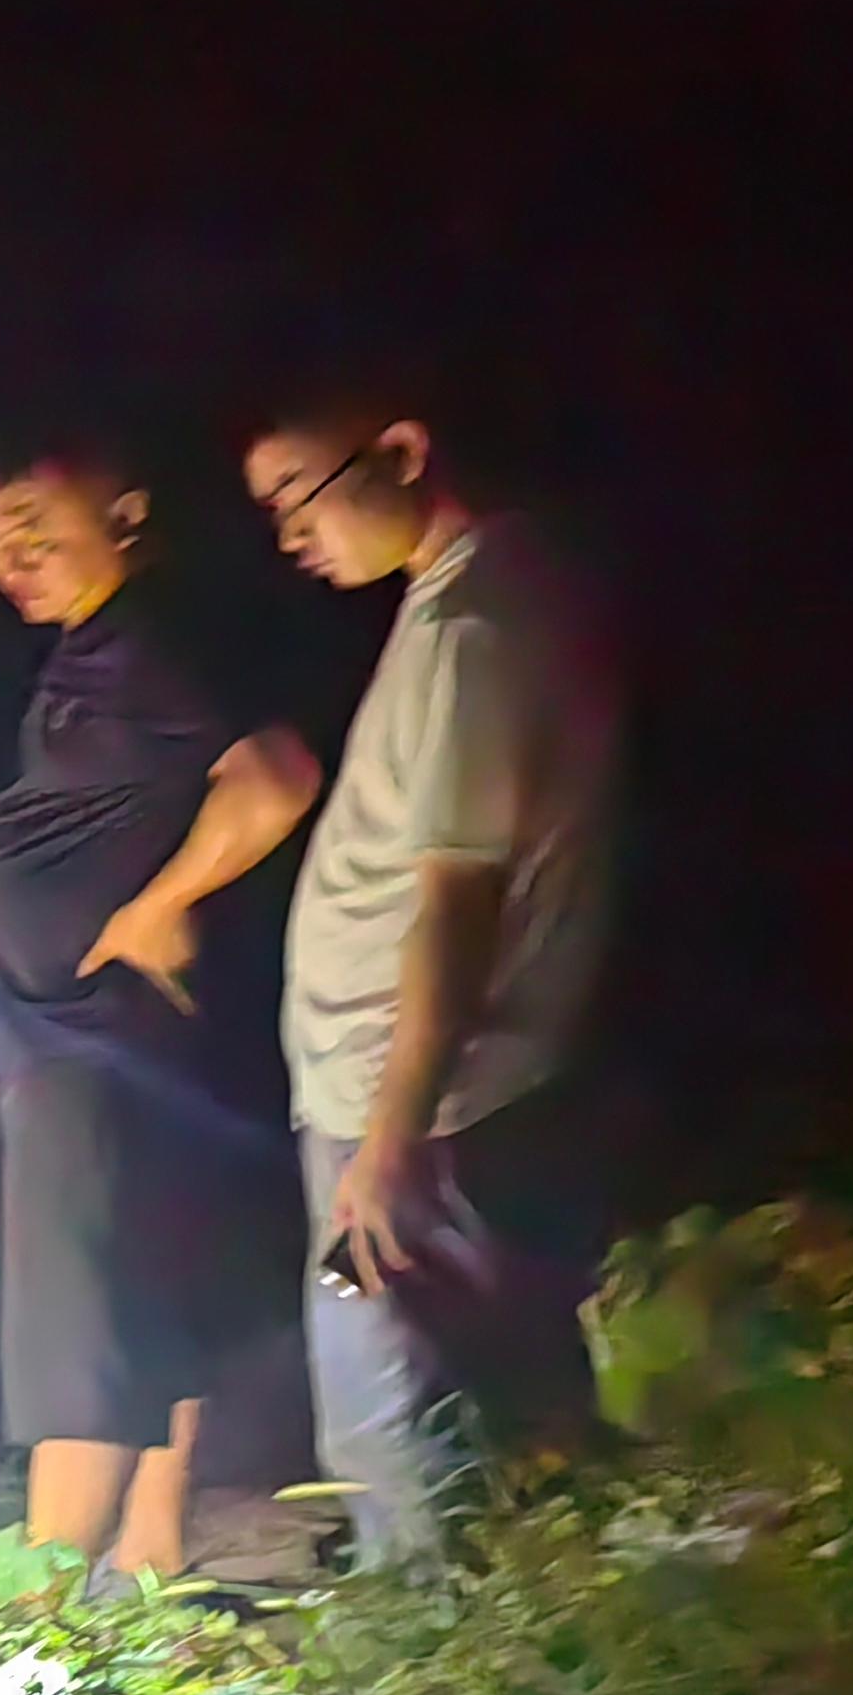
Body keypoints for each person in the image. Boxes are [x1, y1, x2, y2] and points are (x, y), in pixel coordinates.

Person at [0, 432, 321, 1580]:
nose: (13, 557)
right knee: (140, 1306)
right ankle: (148, 1562)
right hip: (77, 1044)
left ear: (129, 515)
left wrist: (162, 904)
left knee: (79, 1338)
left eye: (35, 525)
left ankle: (37, 1603)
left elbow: (276, 778)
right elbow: (122, 797)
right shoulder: (96, 655)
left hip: (84, 1046)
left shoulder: (149, 643)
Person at [247, 388, 619, 1571]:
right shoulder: (475, 598)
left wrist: (392, 1136)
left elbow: (459, 899)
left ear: (403, 451)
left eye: (296, 495)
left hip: (413, 1103)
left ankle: (428, 1654)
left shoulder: (473, 625)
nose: (289, 536)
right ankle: (505, 1630)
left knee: (394, 1422)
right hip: (410, 1097)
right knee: (467, 1412)